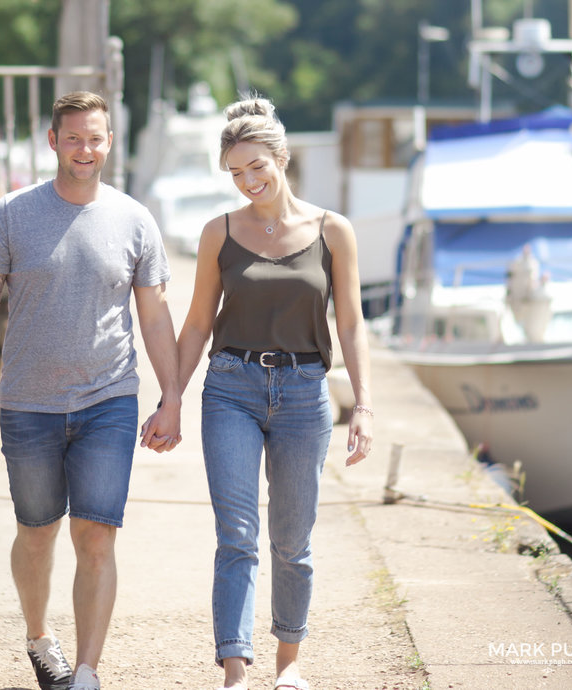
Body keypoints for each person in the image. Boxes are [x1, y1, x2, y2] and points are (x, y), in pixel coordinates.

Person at [0, 91, 181, 690]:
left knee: (96, 536)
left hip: (109, 399)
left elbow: (154, 317)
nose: (86, 148)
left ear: (110, 142)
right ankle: (38, 636)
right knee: (36, 532)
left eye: (96, 138)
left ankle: (86, 671)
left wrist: (172, 397)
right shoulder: (12, 213)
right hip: (27, 403)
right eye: (74, 137)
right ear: (54, 141)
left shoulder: (134, 218)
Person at [141, 95, 373, 690]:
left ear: (281, 158)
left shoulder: (333, 231)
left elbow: (350, 322)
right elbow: (197, 323)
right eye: (236, 173)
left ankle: (288, 664)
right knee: (237, 534)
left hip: (303, 393)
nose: (247, 182)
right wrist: (173, 397)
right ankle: (235, 668)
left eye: (256, 168)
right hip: (231, 389)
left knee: (292, 541)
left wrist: (363, 405)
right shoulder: (219, 232)